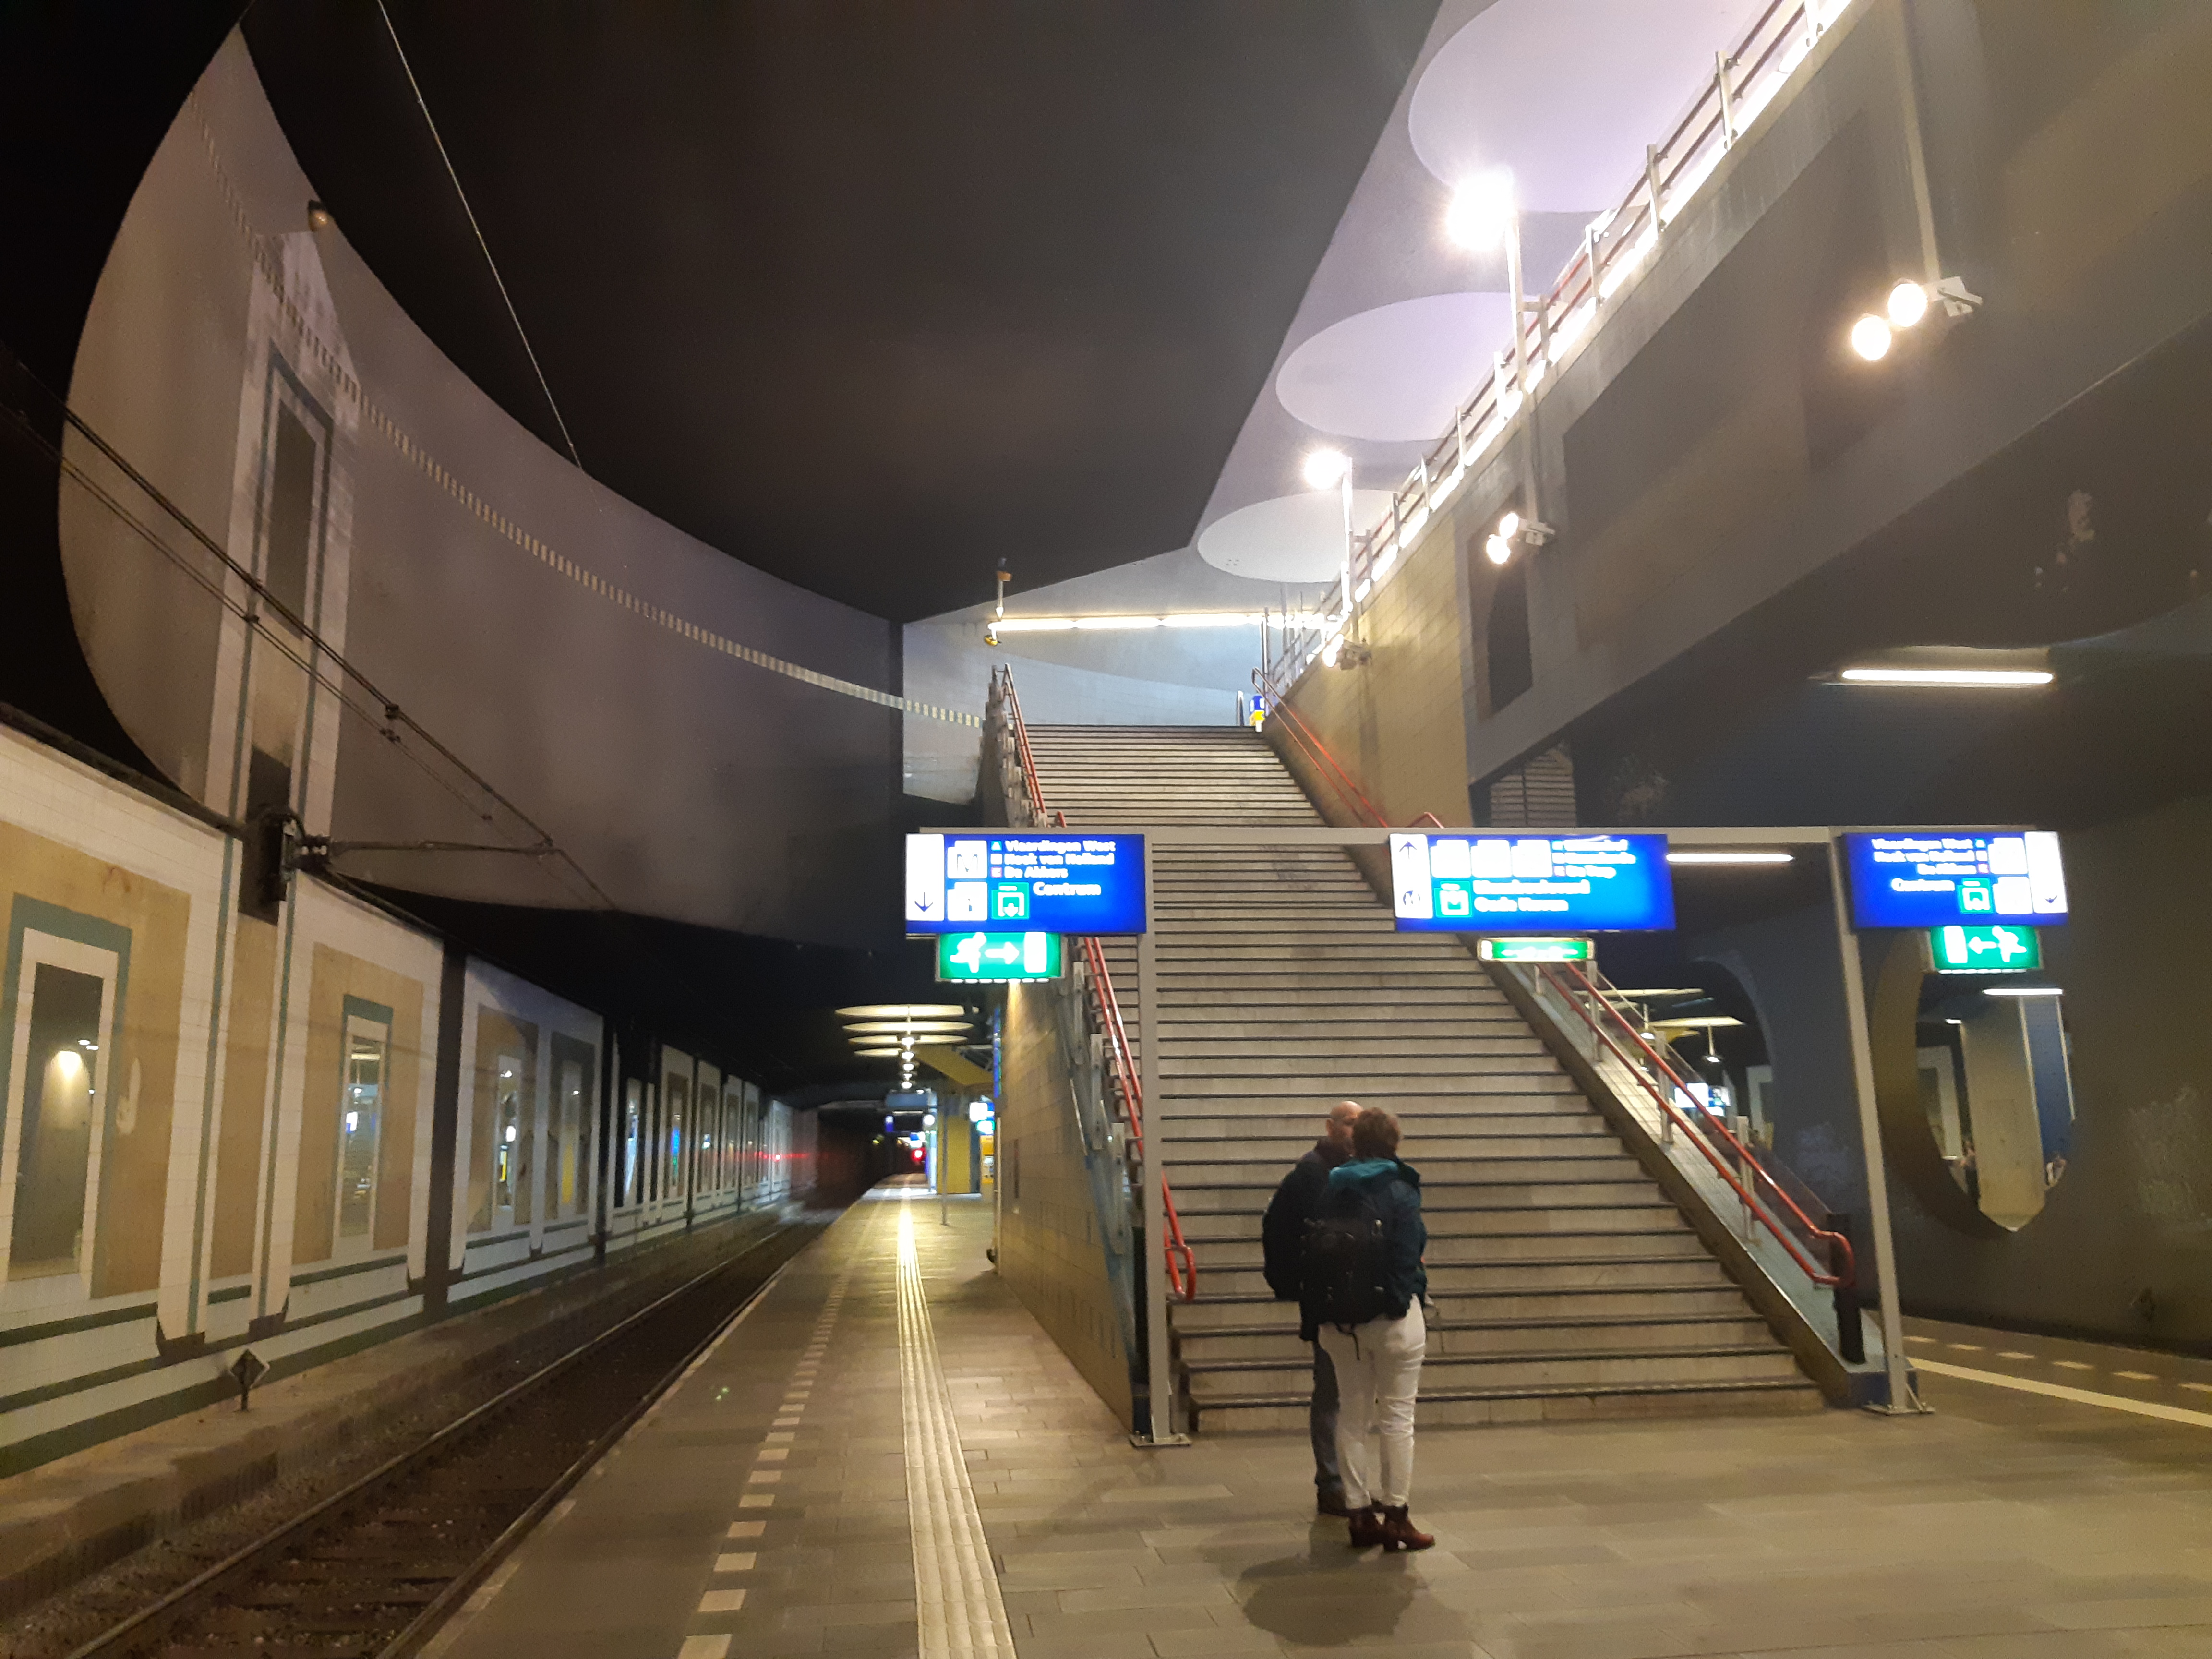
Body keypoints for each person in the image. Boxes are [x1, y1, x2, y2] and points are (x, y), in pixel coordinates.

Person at [1312, 1106, 1432, 1552]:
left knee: (1352, 1415)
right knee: (1398, 1418)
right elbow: (1409, 1252)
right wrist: (1399, 1301)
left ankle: (1359, 1515)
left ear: (1354, 1142)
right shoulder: (1400, 1188)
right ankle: (1397, 1517)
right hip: (1392, 1321)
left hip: (1341, 1321)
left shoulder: (1332, 1186)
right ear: (1394, 1143)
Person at [1261, 1100, 1361, 1517]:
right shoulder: (1310, 1174)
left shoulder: (1359, 1171)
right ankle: (1331, 1481)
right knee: (1332, 1392)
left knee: (1349, 1394)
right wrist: (1294, 1284)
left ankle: (1348, 1480)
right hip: (1329, 1300)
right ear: (1331, 1126)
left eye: (1360, 1124)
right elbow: (1277, 1229)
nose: (1354, 1130)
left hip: (1358, 1298)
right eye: (1349, 1123)